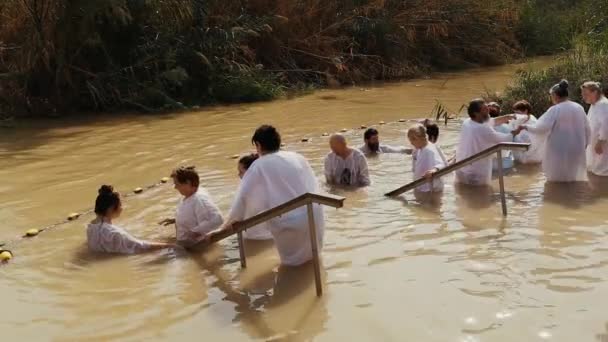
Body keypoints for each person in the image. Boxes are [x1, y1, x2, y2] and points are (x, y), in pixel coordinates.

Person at [205, 125, 325, 266]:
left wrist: (225, 227)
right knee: (313, 260)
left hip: (288, 222)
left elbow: (243, 198)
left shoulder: (259, 165)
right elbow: (314, 184)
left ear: (258, 145)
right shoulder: (297, 157)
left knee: (291, 265)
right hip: (313, 213)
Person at [520, 80, 591, 182]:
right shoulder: (578, 107)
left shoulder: (555, 109)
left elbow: (541, 128)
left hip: (559, 150)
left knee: (558, 179)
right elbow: (587, 127)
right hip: (576, 147)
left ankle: (558, 195)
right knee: (574, 177)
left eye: (551, 95)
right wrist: (586, 143)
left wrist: (525, 127)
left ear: (555, 95)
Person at [87, 185, 175, 254]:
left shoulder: (90, 227)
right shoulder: (116, 233)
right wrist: (169, 246)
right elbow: (141, 246)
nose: (122, 208)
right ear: (111, 209)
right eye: (120, 204)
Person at [455, 99, 522, 185]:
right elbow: (504, 139)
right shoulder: (483, 129)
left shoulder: (468, 122)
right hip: (476, 172)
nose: (488, 110)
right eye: (485, 109)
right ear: (476, 113)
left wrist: (509, 116)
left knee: (464, 194)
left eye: (487, 107)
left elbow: (493, 121)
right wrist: (516, 131)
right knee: (481, 195)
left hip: (462, 168)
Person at [159, 166, 224, 247]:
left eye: (177, 184)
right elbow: (193, 214)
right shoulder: (190, 195)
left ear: (188, 183)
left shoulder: (199, 199)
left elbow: (217, 219)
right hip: (185, 242)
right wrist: (175, 220)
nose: (175, 187)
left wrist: (195, 232)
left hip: (195, 246)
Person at [237, 153, 273, 240]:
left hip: (257, 237)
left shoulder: (249, 190)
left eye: (241, 172)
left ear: (251, 172)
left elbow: (237, 214)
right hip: (265, 235)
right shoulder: (268, 185)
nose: (239, 175)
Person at [407, 124, 447, 192]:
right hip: (420, 186)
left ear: (421, 138)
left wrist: (434, 170)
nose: (411, 143)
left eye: (413, 139)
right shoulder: (417, 150)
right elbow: (414, 169)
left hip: (432, 189)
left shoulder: (431, 149)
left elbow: (443, 164)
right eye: (410, 140)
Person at [582, 81, 608, 176]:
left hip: (602, 148)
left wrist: (600, 142)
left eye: (585, 94)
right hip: (594, 148)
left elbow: (606, 124)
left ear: (595, 92)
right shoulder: (595, 105)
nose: (583, 97)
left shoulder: (603, 104)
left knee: (603, 173)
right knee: (595, 173)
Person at [488, 102, 515, 171]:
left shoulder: (481, 127)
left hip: (488, 165)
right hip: (506, 164)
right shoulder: (508, 127)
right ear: (500, 112)